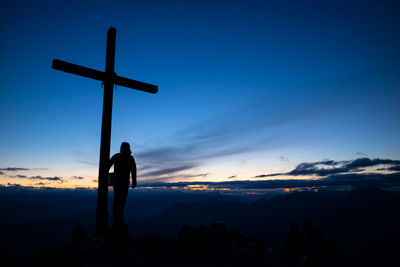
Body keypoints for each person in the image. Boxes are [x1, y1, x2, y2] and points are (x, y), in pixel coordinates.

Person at [108, 142, 137, 229]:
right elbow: (134, 171)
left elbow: (133, 170)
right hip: (121, 184)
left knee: (119, 203)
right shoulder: (127, 158)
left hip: (121, 184)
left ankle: (117, 221)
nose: (122, 149)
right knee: (119, 203)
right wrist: (134, 182)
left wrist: (134, 182)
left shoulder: (119, 156)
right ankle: (117, 222)